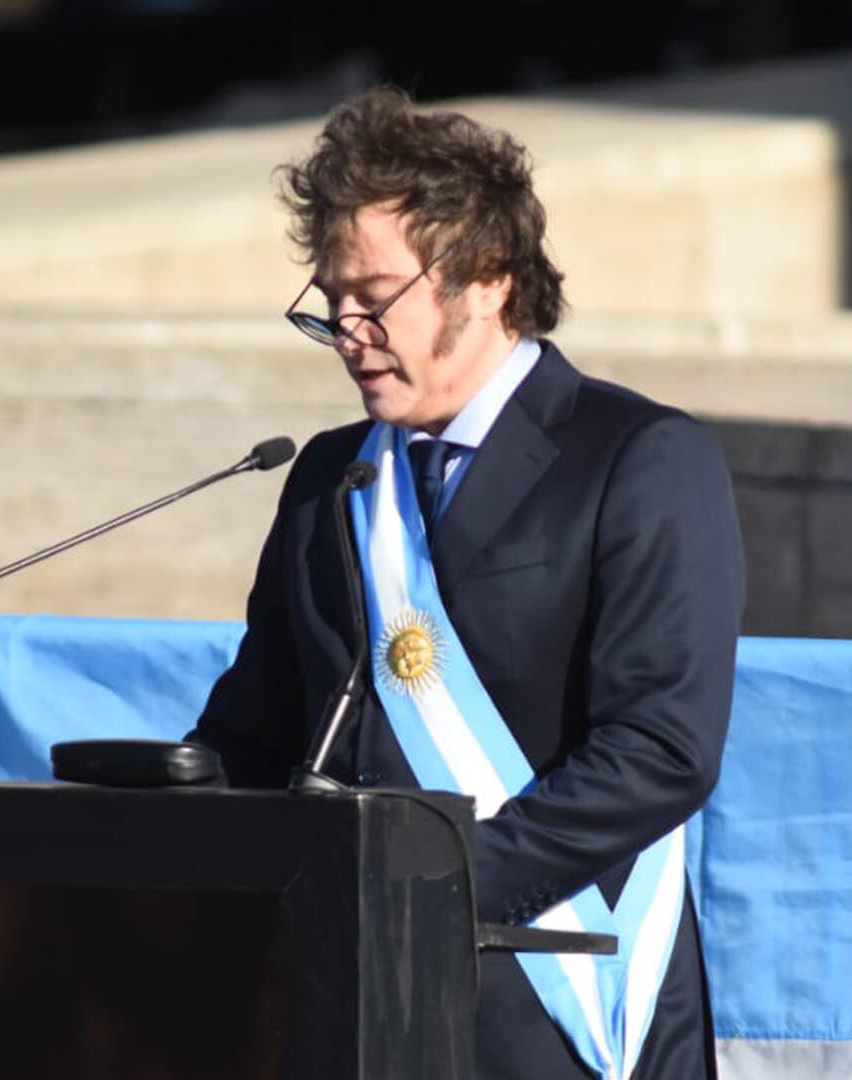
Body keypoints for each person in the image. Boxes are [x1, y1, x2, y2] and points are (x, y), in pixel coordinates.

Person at [188, 87, 745, 1080]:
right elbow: (259, 730)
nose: (348, 331)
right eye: (329, 304)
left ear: (485, 280)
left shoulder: (638, 458)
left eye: (374, 298)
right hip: (343, 999)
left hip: (551, 999)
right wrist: (157, 806)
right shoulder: (329, 477)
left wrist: (433, 886)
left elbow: (663, 748)